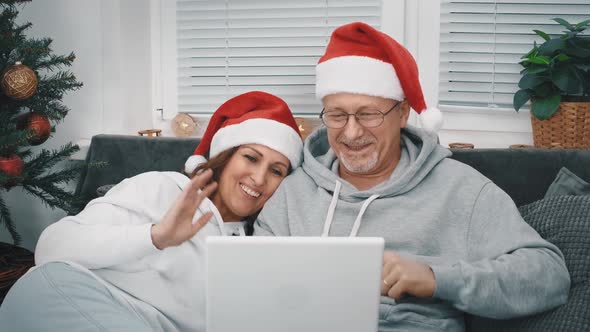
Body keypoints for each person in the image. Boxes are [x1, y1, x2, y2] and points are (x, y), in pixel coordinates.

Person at [254, 22, 570, 331]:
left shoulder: (459, 189)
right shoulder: (292, 193)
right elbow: (253, 285)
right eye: (337, 115)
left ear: (403, 113)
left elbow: (548, 276)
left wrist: (435, 278)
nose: (351, 132)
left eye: (368, 114)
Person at [0, 91, 303, 332]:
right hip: (70, 297)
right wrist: (156, 236)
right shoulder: (162, 187)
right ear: (223, 157)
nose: (260, 178)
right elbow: (51, 248)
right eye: (251, 157)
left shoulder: (258, 246)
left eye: (276, 171)